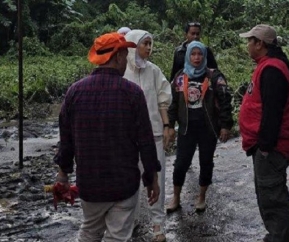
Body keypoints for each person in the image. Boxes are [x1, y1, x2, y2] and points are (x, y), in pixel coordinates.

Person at [54, 32, 161, 242]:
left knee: (89, 231)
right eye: (125, 54)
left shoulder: (74, 92)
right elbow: (146, 142)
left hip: (89, 185)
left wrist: (63, 176)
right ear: (118, 56)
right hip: (124, 184)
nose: (126, 59)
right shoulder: (133, 93)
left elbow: (66, 141)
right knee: (118, 236)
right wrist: (152, 179)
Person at [238, 24, 289, 242]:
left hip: (270, 149)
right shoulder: (267, 66)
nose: (248, 45)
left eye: (250, 41)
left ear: (259, 44)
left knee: (272, 198)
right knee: (267, 196)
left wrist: (264, 147)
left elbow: (273, 114)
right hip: (265, 148)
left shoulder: (272, 69)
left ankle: (279, 238)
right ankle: (275, 236)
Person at [166, 41, 233, 213]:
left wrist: (225, 125)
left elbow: (225, 101)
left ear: (205, 55)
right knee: (180, 163)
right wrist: (170, 125)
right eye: (193, 54)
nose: (197, 58)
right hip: (186, 129)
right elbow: (172, 104)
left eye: (200, 54)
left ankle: (201, 197)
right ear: (188, 55)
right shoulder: (180, 77)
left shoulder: (214, 77)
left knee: (206, 162)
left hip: (208, 128)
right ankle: (176, 198)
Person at [124, 29, 172, 242]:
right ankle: (129, 220)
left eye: (151, 44)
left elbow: (162, 99)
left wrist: (167, 125)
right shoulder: (122, 71)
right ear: (133, 45)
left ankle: (158, 225)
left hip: (153, 135)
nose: (149, 48)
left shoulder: (153, 71)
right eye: (145, 44)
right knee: (130, 180)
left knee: (157, 178)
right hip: (128, 137)